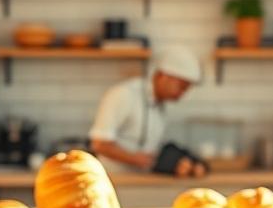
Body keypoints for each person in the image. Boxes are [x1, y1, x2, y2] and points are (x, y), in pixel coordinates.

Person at [88, 45, 205, 176]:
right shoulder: (123, 94)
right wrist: (134, 159)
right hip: (114, 179)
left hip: (142, 179)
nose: (183, 93)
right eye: (181, 86)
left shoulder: (161, 105)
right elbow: (100, 144)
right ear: (162, 76)